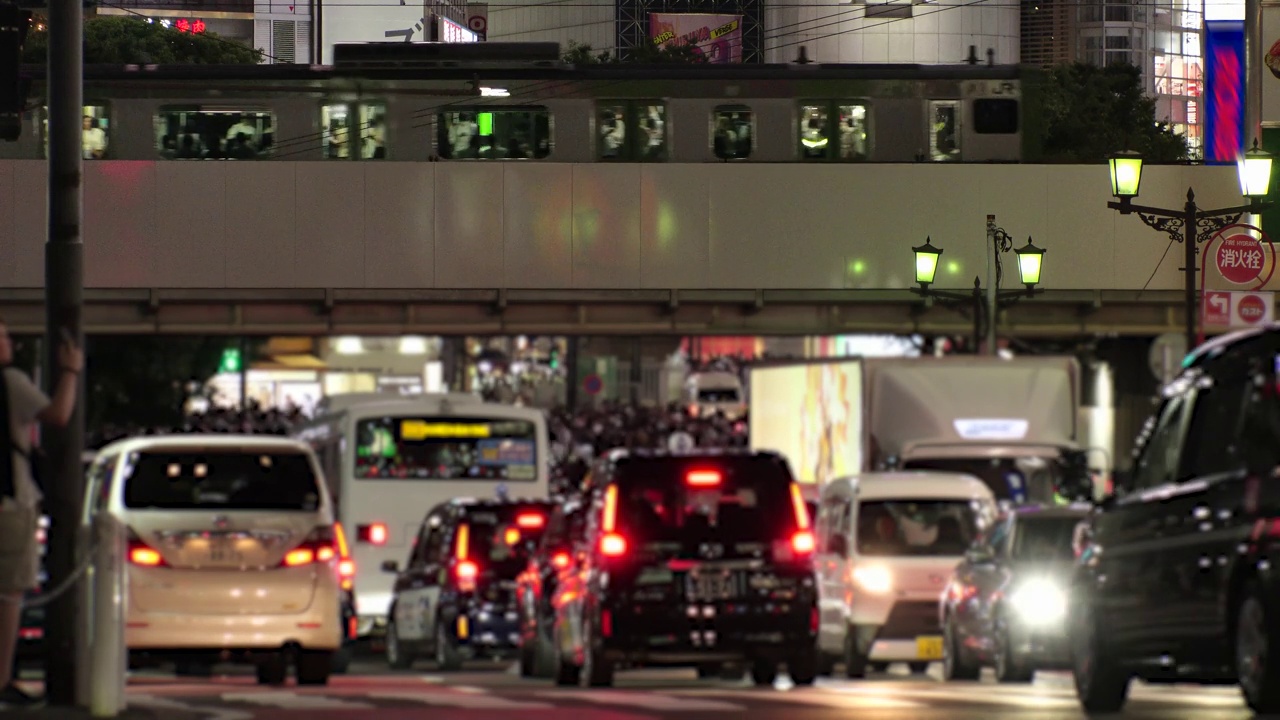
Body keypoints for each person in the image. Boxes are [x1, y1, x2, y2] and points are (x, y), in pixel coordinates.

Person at [0, 320, 83, 707]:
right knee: (9, 594)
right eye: (1, 335)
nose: (9, 342)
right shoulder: (10, 383)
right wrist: (70, 371)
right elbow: (58, 414)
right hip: (9, 504)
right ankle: (2, 680)